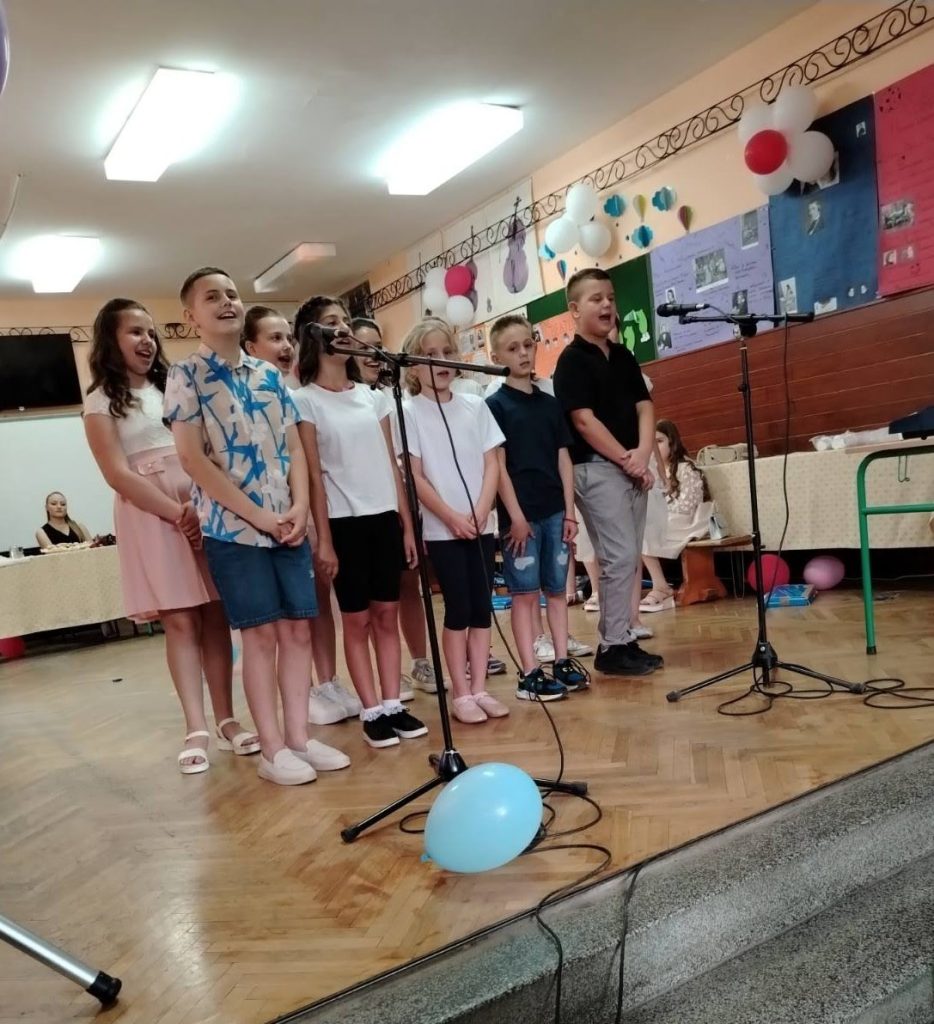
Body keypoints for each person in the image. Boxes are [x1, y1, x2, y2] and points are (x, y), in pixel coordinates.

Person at [165, 267, 349, 786]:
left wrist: (300, 507)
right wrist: (260, 516)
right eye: (212, 297)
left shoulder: (268, 376)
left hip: (287, 525)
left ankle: (299, 738)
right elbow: (193, 459)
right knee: (261, 635)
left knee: (297, 630)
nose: (227, 302)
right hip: (233, 531)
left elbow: (294, 448)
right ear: (191, 316)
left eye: (232, 293)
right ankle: (272, 749)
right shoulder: (186, 375)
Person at [84, 297, 256, 774]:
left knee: (216, 614)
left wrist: (202, 503)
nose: (146, 340)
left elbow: (205, 445)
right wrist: (177, 514)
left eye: (150, 331)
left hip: (202, 502)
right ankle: (195, 726)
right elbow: (117, 473)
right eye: (134, 331)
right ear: (111, 340)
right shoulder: (100, 400)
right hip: (153, 512)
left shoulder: (175, 384)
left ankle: (227, 719)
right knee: (181, 619)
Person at [292, 301, 427, 749]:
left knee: (387, 614)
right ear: (311, 334)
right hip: (343, 523)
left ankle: (392, 703)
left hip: (384, 518)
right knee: (357, 621)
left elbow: (391, 463)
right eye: (331, 323)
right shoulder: (304, 401)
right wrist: (324, 541)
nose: (342, 329)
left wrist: (406, 525)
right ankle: (371, 710)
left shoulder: (375, 398)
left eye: (345, 322)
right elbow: (314, 476)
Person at [241, 303, 358, 725]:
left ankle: (328, 680)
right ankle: (302, 688)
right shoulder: (250, 394)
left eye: (288, 338)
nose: (285, 347)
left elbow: (308, 461)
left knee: (318, 601)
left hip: (307, 507)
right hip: (271, 515)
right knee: (287, 610)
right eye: (274, 339)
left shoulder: (299, 390)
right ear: (250, 347)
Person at [553, 268, 663, 677]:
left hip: (630, 465)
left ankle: (623, 638)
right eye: (596, 298)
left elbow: (645, 406)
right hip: (596, 468)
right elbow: (583, 421)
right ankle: (612, 645)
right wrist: (627, 459)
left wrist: (643, 453)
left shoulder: (623, 356)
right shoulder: (571, 361)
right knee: (617, 556)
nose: (606, 305)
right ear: (575, 309)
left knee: (629, 556)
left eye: (611, 298)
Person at [402, 318, 508, 724]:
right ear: (413, 366)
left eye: (447, 352)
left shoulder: (475, 406)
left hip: (481, 523)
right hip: (443, 529)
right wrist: (449, 516)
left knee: (482, 607)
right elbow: (415, 474)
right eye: (429, 355)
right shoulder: (409, 412)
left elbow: (491, 462)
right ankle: (460, 692)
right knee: (458, 608)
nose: (441, 360)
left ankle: (480, 687)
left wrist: (481, 510)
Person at [486, 315, 590, 701]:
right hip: (521, 517)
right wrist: (515, 516)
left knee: (557, 591)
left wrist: (569, 511)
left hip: (554, 512)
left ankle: (561, 660)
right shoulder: (495, 406)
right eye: (512, 348)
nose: (523, 353)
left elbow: (564, 459)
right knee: (525, 594)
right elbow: (497, 466)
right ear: (496, 356)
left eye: (528, 345)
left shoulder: (549, 403)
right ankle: (529, 673)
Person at [351, 316, 441, 696]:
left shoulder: (394, 395)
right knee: (376, 598)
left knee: (409, 584)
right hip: (367, 508)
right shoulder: (351, 399)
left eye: (377, 346)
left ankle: (421, 661)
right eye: (363, 347)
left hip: (403, 502)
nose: (372, 355)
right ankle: (388, 674)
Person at [641, 419, 712, 611]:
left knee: (645, 529)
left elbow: (688, 504)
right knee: (638, 528)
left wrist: (659, 513)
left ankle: (660, 587)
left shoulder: (685, 467)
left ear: (672, 442)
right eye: (651, 442)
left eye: (660, 441)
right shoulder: (654, 470)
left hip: (688, 520)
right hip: (666, 518)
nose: (655, 447)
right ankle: (656, 585)